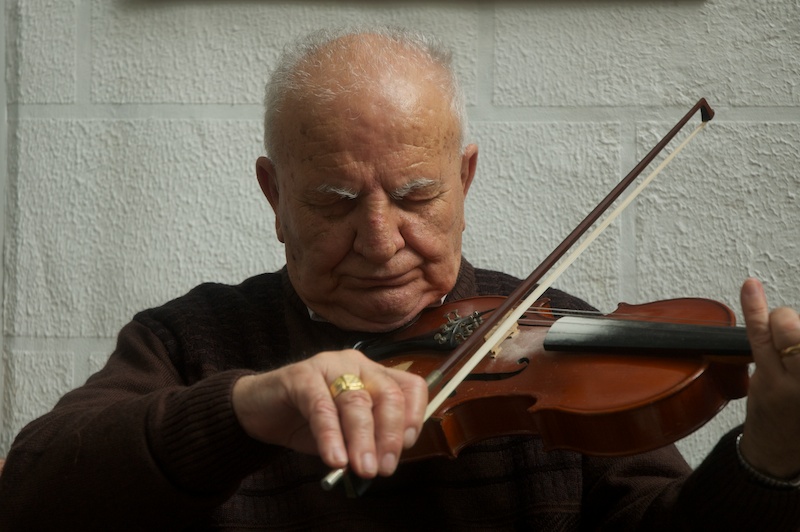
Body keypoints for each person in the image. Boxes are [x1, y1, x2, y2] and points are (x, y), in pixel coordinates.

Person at [0, 27, 799, 531]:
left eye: (416, 197)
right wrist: (243, 409)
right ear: (275, 196)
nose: (381, 242)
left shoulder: (558, 333)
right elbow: (30, 494)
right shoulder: (188, 341)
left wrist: (766, 456)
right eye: (334, 201)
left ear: (465, 181)